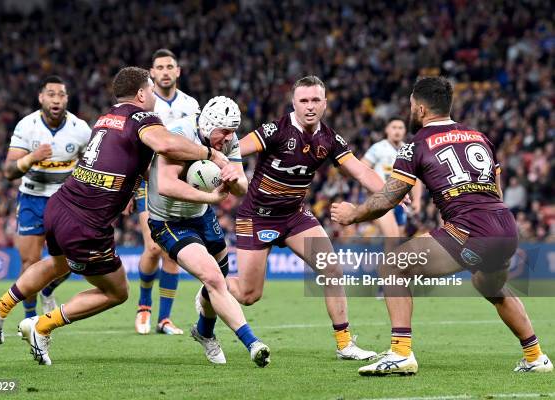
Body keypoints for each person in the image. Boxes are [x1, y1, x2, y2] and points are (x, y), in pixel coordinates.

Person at [0, 67, 228, 365]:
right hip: (86, 222)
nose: (153, 97)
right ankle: (41, 326)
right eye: (150, 90)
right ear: (141, 94)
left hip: (61, 205)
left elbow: (127, 161)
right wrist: (210, 155)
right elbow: (165, 144)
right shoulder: (142, 117)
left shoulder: (107, 117)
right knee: (116, 291)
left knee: (56, 264)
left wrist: (133, 186)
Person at [331, 76, 552, 375]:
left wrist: (352, 214)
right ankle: (536, 356)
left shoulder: (416, 144)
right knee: (490, 285)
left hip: (470, 230)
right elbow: (495, 190)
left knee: (392, 266)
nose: (409, 112)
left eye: (410, 106)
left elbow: (387, 199)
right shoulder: (479, 136)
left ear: (420, 109)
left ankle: (400, 352)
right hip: (505, 227)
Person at [227, 75, 384, 360]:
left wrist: (391, 192)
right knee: (249, 295)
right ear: (294, 103)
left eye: (315, 100)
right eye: (304, 101)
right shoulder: (275, 129)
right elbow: (235, 148)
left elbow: (360, 171)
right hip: (257, 216)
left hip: (294, 216)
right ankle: (212, 286)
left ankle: (345, 344)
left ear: (325, 103)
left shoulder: (329, 138)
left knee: (332, 269)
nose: (310, 106)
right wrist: (222, 164)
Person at [147, 96, 270, 367]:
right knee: (214, 278)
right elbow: (165, 185)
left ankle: (203, 331)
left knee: (219, 277)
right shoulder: (179, 134)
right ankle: (253, 343)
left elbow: (241, 187)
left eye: (231, 132)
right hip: (169, 220)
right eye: (223, 132)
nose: (228, 139)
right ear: (207, 124)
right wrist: (212, 199)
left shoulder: (230, 139)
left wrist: (232, 176)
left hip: (201, 215)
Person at [4, 75, 92, 317]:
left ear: (66, 99)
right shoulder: (27, 126)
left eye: (61, 95)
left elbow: (91, 165)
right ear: (41, 97)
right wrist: (32, 157)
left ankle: (48, 290)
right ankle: (30, 319)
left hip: (65, 202)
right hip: (32, 198)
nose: (56, 100)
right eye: (51, 94)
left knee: (73, 261)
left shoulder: (81, 129)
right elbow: (9, 171)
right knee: (29, 262)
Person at [134, 48, 201, 336]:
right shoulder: (145, 103)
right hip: (147, 182)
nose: (164, 71)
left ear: (178, 71)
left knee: (171, 251)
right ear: (151, 72)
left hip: (179, 182)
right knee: (152, 246)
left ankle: (165, 319)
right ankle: (144, 306)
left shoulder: (191, 104)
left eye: (169, 66)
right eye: (159, 66)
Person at [361, 117, 422, 237]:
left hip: (400, 201)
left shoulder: (409, 151)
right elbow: (362, 168)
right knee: (392, 237)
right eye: (394, 127)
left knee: (398, 238)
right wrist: (372, 189)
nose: (397, 131)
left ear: (405, 131)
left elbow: (416, 178)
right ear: (387, 130)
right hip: (381, 199)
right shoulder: (378, 148)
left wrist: (417, 200)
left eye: (400, 128)